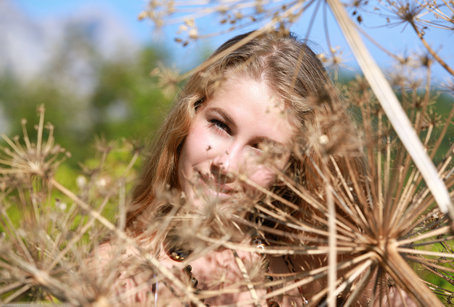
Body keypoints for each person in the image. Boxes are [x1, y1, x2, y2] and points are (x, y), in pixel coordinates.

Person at [91, 30, 401, 306]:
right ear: (190, 115)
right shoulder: (117, 271)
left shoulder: (325, 269)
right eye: (220, 125)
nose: (226, 164)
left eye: (262, 148)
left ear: (292, 166)